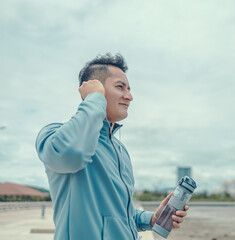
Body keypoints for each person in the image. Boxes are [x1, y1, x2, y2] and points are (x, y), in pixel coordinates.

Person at [35, 53, 189, 240]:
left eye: (129, 89)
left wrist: (152, 218)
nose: (129, 96)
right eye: (120, 87)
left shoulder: (120, 150)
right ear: (95, 89)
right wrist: (94, 99)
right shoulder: (54, 134)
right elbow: (71, 155)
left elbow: (121, 214)